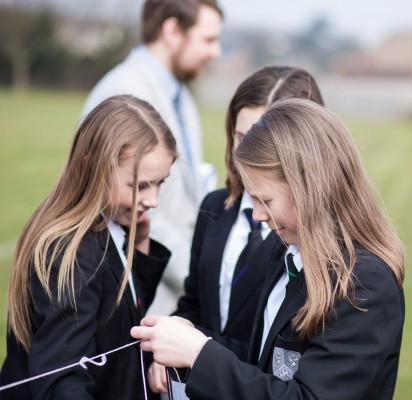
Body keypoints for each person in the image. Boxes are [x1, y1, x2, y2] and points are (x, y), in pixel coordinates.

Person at [131, 98, 406, 400]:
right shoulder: (288, 252)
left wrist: (199, 354)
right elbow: (262, 362)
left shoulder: (364, 284)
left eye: (265, 201)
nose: (258, 216)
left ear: (307, 188)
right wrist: (192, 338)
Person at [147, 65, 326, 394]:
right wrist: (174, 336)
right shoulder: (214, 208)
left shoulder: (298, 237)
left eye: (263, 142)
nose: (248, 154)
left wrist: (197, 352)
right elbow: (195, 300)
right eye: (242, 138)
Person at [0, 95, 177, 399]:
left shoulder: (112, 227)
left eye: (160, 183)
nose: (153, 201)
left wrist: (140, 249)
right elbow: (61, 381)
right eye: (141, 186)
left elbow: (114, 319)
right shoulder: (73, 253)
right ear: (94, 167)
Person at [81, 0, 224, 315]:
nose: (216, 52)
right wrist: (204, 278)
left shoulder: (180, 94)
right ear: (172, 29)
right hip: (139, 298)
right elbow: (141, 211)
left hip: (167, 295)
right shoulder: (123, 92)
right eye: (208, 39)